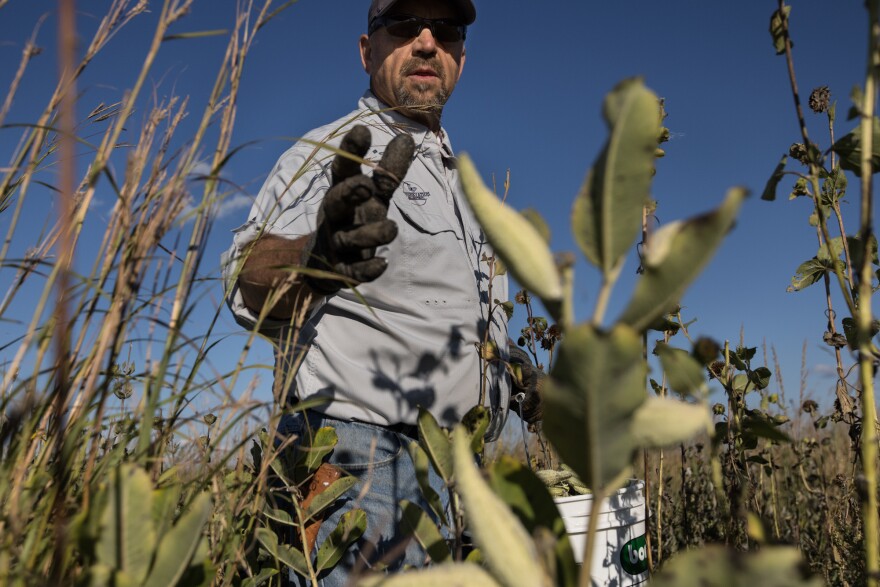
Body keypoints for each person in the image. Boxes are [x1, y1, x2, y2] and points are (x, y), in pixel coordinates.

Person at [222, 0, 541, 583]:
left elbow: (452, 317)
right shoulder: (339, 150)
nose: (426, 42)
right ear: (367, 51)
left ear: (461, 58)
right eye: (404, 26)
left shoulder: (463, 185)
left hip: (455, 476)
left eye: (445, 30)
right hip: (362, 465)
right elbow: (247, 272)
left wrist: (515, 373)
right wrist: (313, 260)